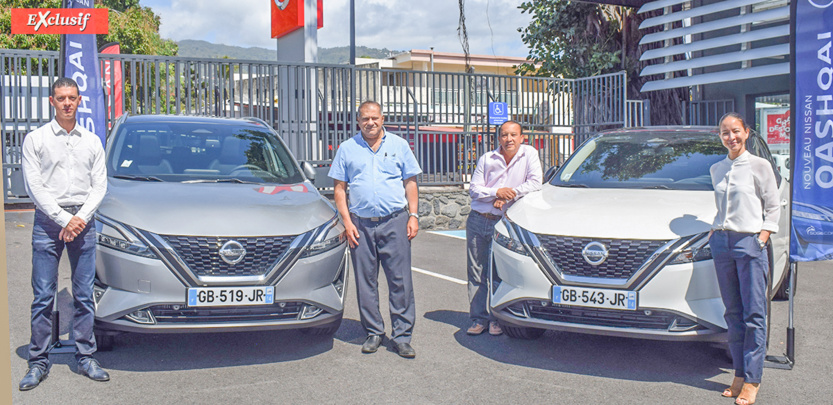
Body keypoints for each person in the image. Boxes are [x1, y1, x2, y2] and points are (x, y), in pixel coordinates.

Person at [19, 78, 109, 391]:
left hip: (83, 222)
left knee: (84, 294)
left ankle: (86, 356)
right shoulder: (36, 139)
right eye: (61, 98)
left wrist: (79, 218)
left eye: (72, 97)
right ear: (52, 101)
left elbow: (100, 185)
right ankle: (38, 361)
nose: (67, 103)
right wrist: (63, 218)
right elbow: (34, 186)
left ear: (80, 99)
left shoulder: (92, 141)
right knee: (43, 295)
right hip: (48, 221)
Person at [328, 100, 422, 358]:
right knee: (365, 281)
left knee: (400, 281)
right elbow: (339, 189)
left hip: (395, 221)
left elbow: (410, 182)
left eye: (374, 118)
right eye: (364, 119)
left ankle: (402, 336)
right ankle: (373, 332)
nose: (370, 123)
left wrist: (413, 215)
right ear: (358, 122)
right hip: (360, 225)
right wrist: (347, 223)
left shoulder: (399, 146)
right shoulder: (347, 149)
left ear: (382, 119)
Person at [709, 112, 779, 405]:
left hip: (749, 243)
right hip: (722, 244)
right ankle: (738, 374)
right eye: (725, 133)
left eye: (735, 131)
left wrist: (761, 238)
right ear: (720, 137)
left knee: (754, 315)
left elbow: (774, 207)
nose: (731, 137)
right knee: (733, 314)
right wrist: (714, 233)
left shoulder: (759, 166)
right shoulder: (716, 168)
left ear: (746, 132)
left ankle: (752, 380)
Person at [466, 120, 542, 336]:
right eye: (504, 135)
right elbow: (474, 189)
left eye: (513, 135)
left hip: (505, 222)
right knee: (476, 271)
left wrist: (510, 194)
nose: (508, 139)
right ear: (498, 138)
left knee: (500, 271)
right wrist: (497, 193)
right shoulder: (487, 158)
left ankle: (497, 319)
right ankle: (478, 318)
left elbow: (536, 183)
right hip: (478, 219)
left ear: (521, 137)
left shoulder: (529, 154)